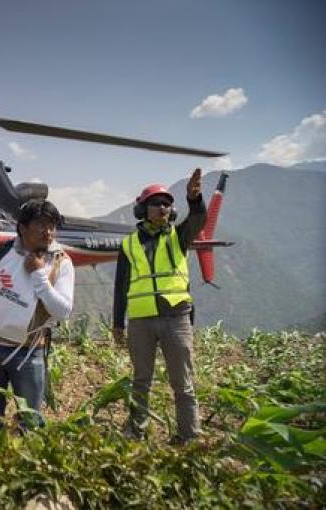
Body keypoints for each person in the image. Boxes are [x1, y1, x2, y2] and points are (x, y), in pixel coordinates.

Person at [113, 168, 206, 445]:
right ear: (143, 209)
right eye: (156, 203)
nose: (163, 207)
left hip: (176, 318)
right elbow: (120, 286)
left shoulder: (179, 236)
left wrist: (194, 198)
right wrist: (118, 323)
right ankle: (135, 432)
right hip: (140, 321)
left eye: (167, 203)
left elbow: (199, 219)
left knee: (183, 383)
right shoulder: (129, 244)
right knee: (141, 380)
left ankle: (188, 435)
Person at [0, 199, 75, 436]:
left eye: (52, 226)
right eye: (41, 225)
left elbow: (63, 311)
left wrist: (39, 274)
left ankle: (26, 467)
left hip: (28, 353)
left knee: (30, 421)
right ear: (23, 228)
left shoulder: (61, 262)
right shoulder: (4, 251)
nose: (48, 232)